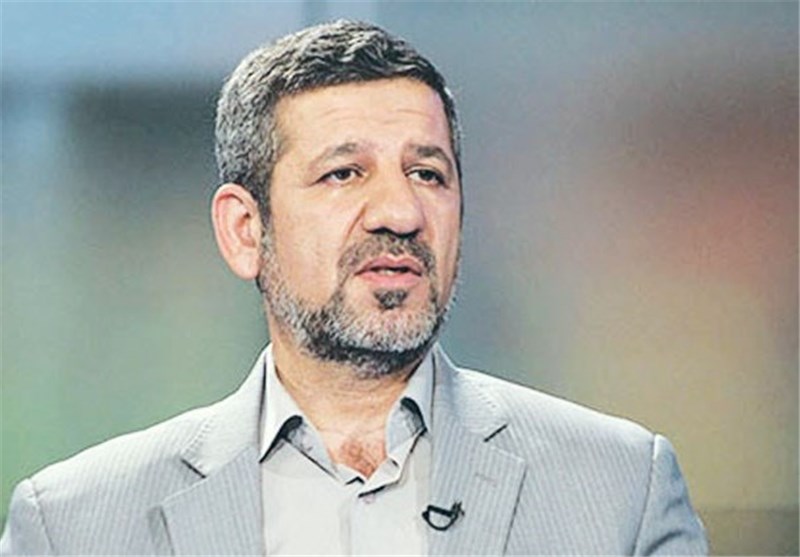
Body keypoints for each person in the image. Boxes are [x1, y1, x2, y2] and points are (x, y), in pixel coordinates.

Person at [0, 20, 707, 555]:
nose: (401, 212)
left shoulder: (623, 491)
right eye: (344, 173)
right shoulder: (73, 525)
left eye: (427, 173)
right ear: (245, 230)